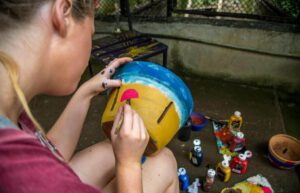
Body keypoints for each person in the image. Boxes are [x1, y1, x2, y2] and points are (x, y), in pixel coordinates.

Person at [0, 1, 179, 193]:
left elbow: (48, 151)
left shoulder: (9, 111)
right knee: (163, 162)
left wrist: (86, 92)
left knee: (111, 150)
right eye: (91, 33)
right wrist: (129, 165)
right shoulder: (20, 173)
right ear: (64, 13)